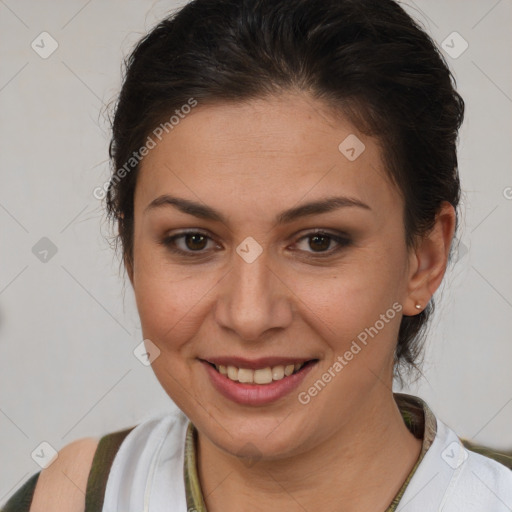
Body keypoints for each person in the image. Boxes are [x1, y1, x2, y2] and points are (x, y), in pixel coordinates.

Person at [3, 0, 512, 510]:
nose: (249, 316)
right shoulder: (69, 497)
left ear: (423, 259)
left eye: (319, 241)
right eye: (193, 241)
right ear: (131, 254)